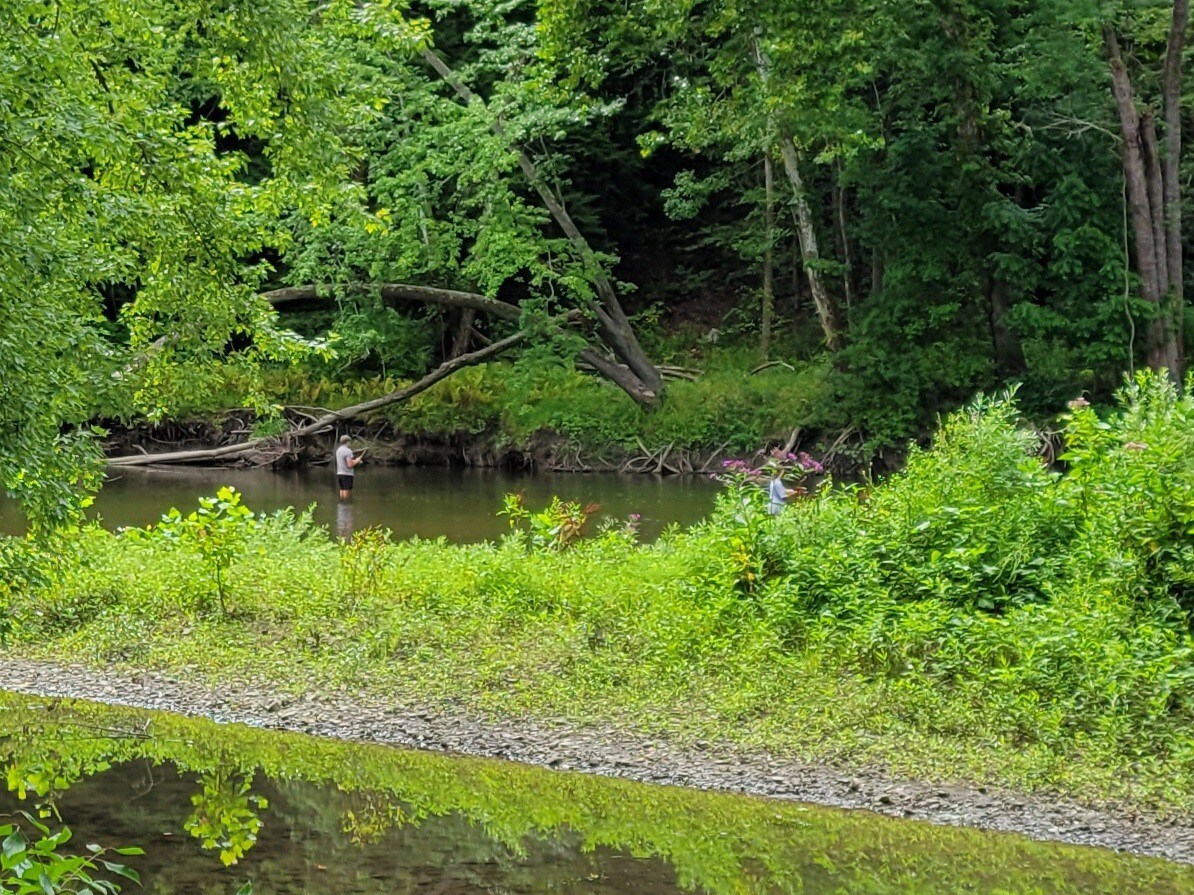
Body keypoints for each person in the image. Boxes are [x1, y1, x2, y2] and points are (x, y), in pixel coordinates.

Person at [335, 435, 365, 500]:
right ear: (347, 441)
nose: (350, 443)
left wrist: (356, 460)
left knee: (342, 490)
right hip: (346, 474)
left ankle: (341, 505)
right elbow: (349, 465)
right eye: (350, 442)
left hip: (339, 473)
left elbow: (344, 461)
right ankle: (346, 504)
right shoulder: (348, 451)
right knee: (346, 490)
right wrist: (357, 461)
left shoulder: (338, 450)